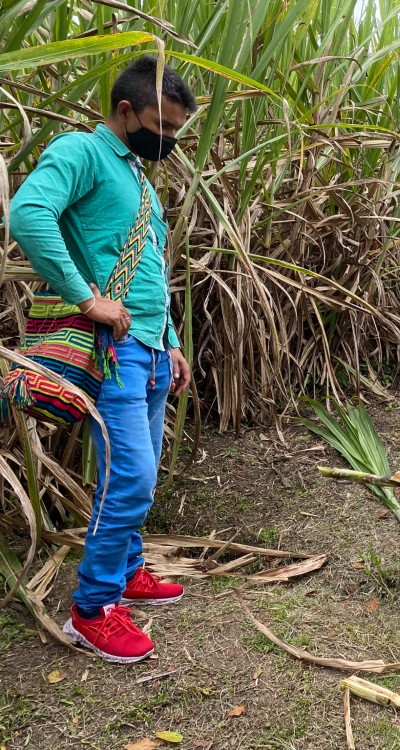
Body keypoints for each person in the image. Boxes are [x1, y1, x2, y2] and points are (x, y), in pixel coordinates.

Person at [9, 56, 196, 663]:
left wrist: (169, 340)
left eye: (175, 130)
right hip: (110, 351)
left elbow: (145, 271)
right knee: (132, 476)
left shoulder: (139, 180)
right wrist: (87, 299)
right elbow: (28, 213)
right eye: (161, 125)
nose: (168, 140)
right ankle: (91, 610)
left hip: (147, 349)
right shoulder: (81, 153)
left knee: (134, 471)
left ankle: (125, 570)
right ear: (125, 111)